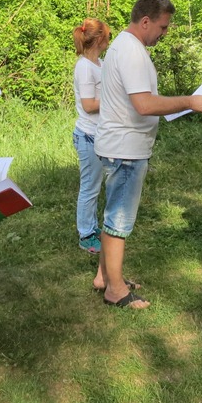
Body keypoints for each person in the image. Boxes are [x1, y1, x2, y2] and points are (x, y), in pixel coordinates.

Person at [93, 0, 202, 307]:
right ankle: (115, 290)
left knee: (113, 214)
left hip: (120, 144)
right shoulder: (131, 51)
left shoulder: (124, 45)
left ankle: (105, 277)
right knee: (118, 221)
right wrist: (189, 101)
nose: (164, 33)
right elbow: (144, 104)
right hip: (125, 149)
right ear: (145, 21)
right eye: (163, 27)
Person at [72, 18, 112, 254]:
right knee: (89, 187)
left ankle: (92, 227)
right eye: (108, 36)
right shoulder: (85, 67)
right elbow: (88, 105)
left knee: (95, 186)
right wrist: (114, 100)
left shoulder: (99, 63)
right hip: (88, 136)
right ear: (98, 40)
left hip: (99, 135)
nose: (109, 40)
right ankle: (86, 235)